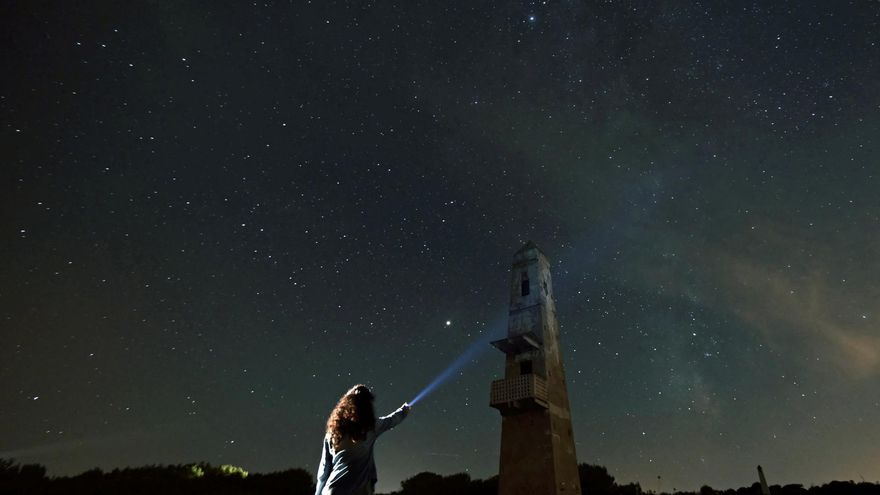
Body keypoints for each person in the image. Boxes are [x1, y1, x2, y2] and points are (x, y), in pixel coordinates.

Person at [315, 384, 410, 495]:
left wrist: (318, 493)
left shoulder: (332, 433)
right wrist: (404, 409)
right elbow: (392, 420)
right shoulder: (371, 428)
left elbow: (324, 471)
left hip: (332, 490)